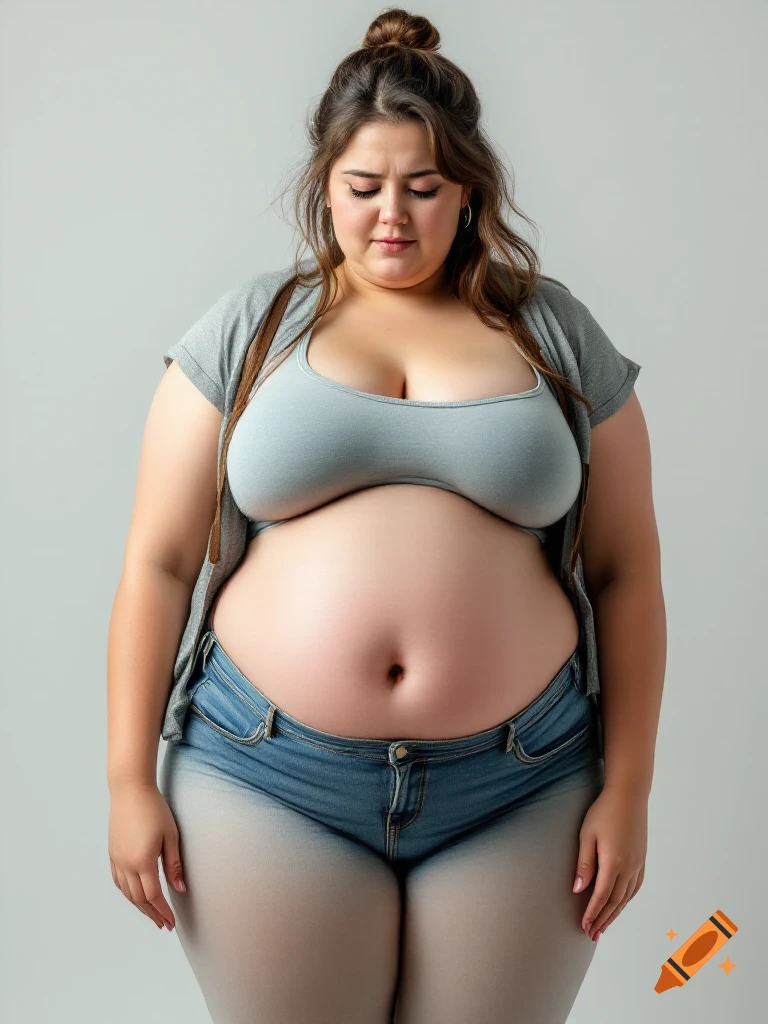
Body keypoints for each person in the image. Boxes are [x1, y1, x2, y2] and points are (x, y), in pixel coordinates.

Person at [107, 8, 665, 1023]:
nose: (392, 217)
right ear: (326, 185)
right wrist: (126, 780)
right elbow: (159, 562)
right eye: (364, 188)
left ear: (470, 191)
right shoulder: (250, 329)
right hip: (264, 772)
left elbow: (626, 571)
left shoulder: (551, 331)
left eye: (424, 187)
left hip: (524, 782)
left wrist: (629, 790)